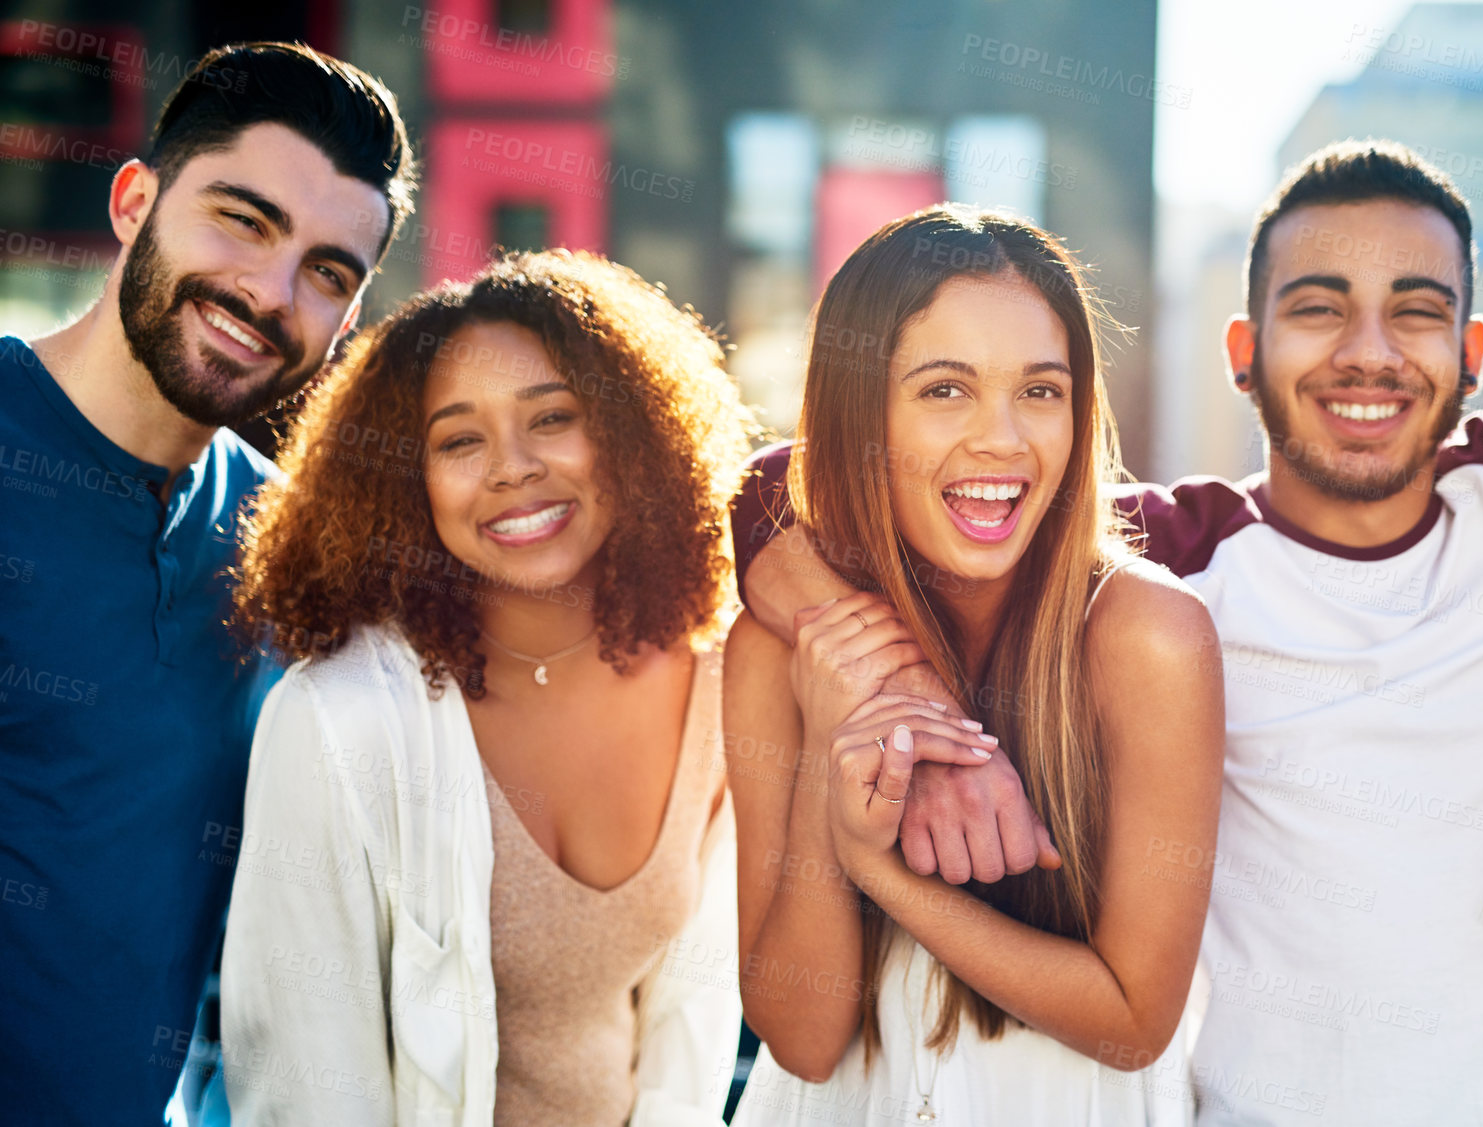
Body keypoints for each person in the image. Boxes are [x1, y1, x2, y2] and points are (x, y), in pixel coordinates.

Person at [735, 142, 1483, 1124]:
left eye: (1414, 309)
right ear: (1238, 352)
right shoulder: (1186, 551)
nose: (1367, 350)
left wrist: (918, 734)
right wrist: (909, 704)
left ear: (1472, 356)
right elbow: (771, 497)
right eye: (1317, 306)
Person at [222, 249, 750, 1125]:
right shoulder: (336, 721)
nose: (511, 466)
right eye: (459, 439)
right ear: (405, 481)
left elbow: (686, 1039)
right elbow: (304, 1087)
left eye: (553, 418)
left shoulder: (720, 683)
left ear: (633, 430)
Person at [724, 205, 1223, 1123]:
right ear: (857, 410)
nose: (1002, 439)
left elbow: (1133, 1020)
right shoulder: (781, 638)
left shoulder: (1149, 636)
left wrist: (883, 871)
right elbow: (800, 1035)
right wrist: (834, 743)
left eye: (1040, 390)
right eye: (944, 389)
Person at [0, 42, 415, 1125]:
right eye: (243, 218)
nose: (269, 291)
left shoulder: (290, 545)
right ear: (135, 201)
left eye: (329, 272)